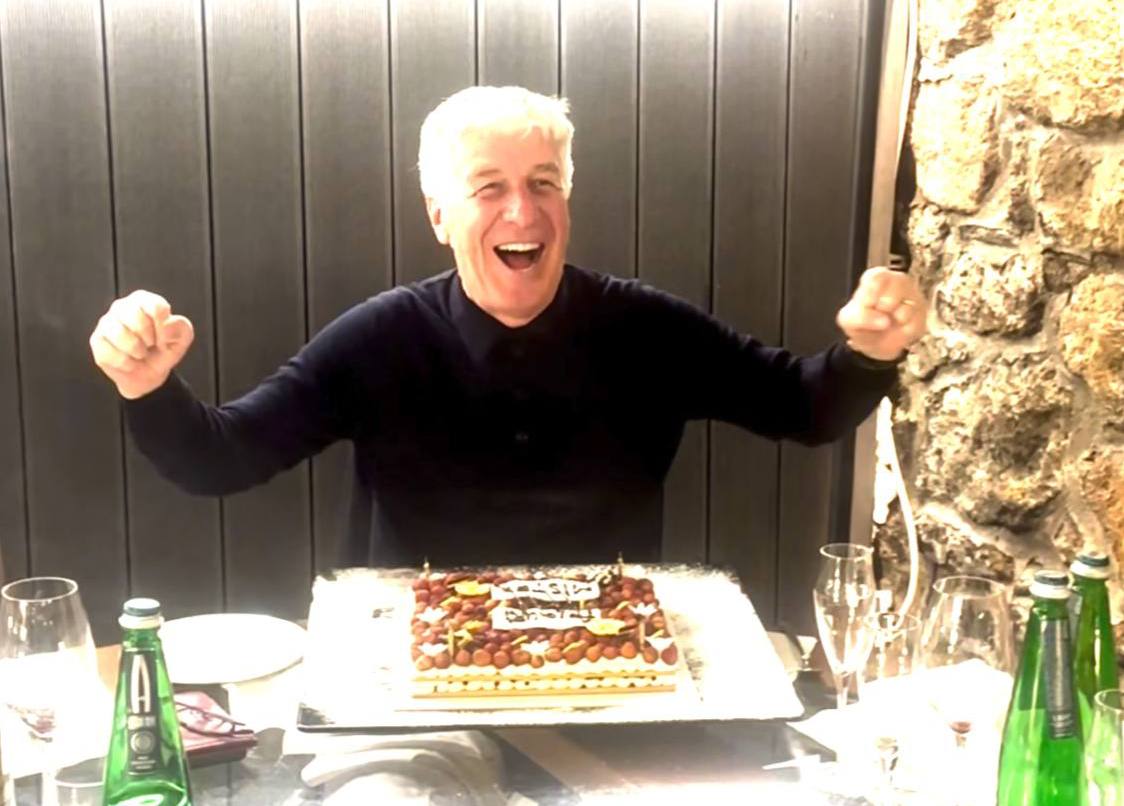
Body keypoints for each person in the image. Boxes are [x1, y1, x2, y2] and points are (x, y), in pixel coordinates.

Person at [89, 86, 927, 568]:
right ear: (439, 214)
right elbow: (219, 458)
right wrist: (146, 385)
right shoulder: (379, 339)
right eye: (488, 187)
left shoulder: (645, 327)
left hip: (610, 674)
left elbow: (803, 407)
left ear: (567, 199)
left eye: (544, 183)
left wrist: (869, 352)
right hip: (416, 682)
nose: (522, 211)